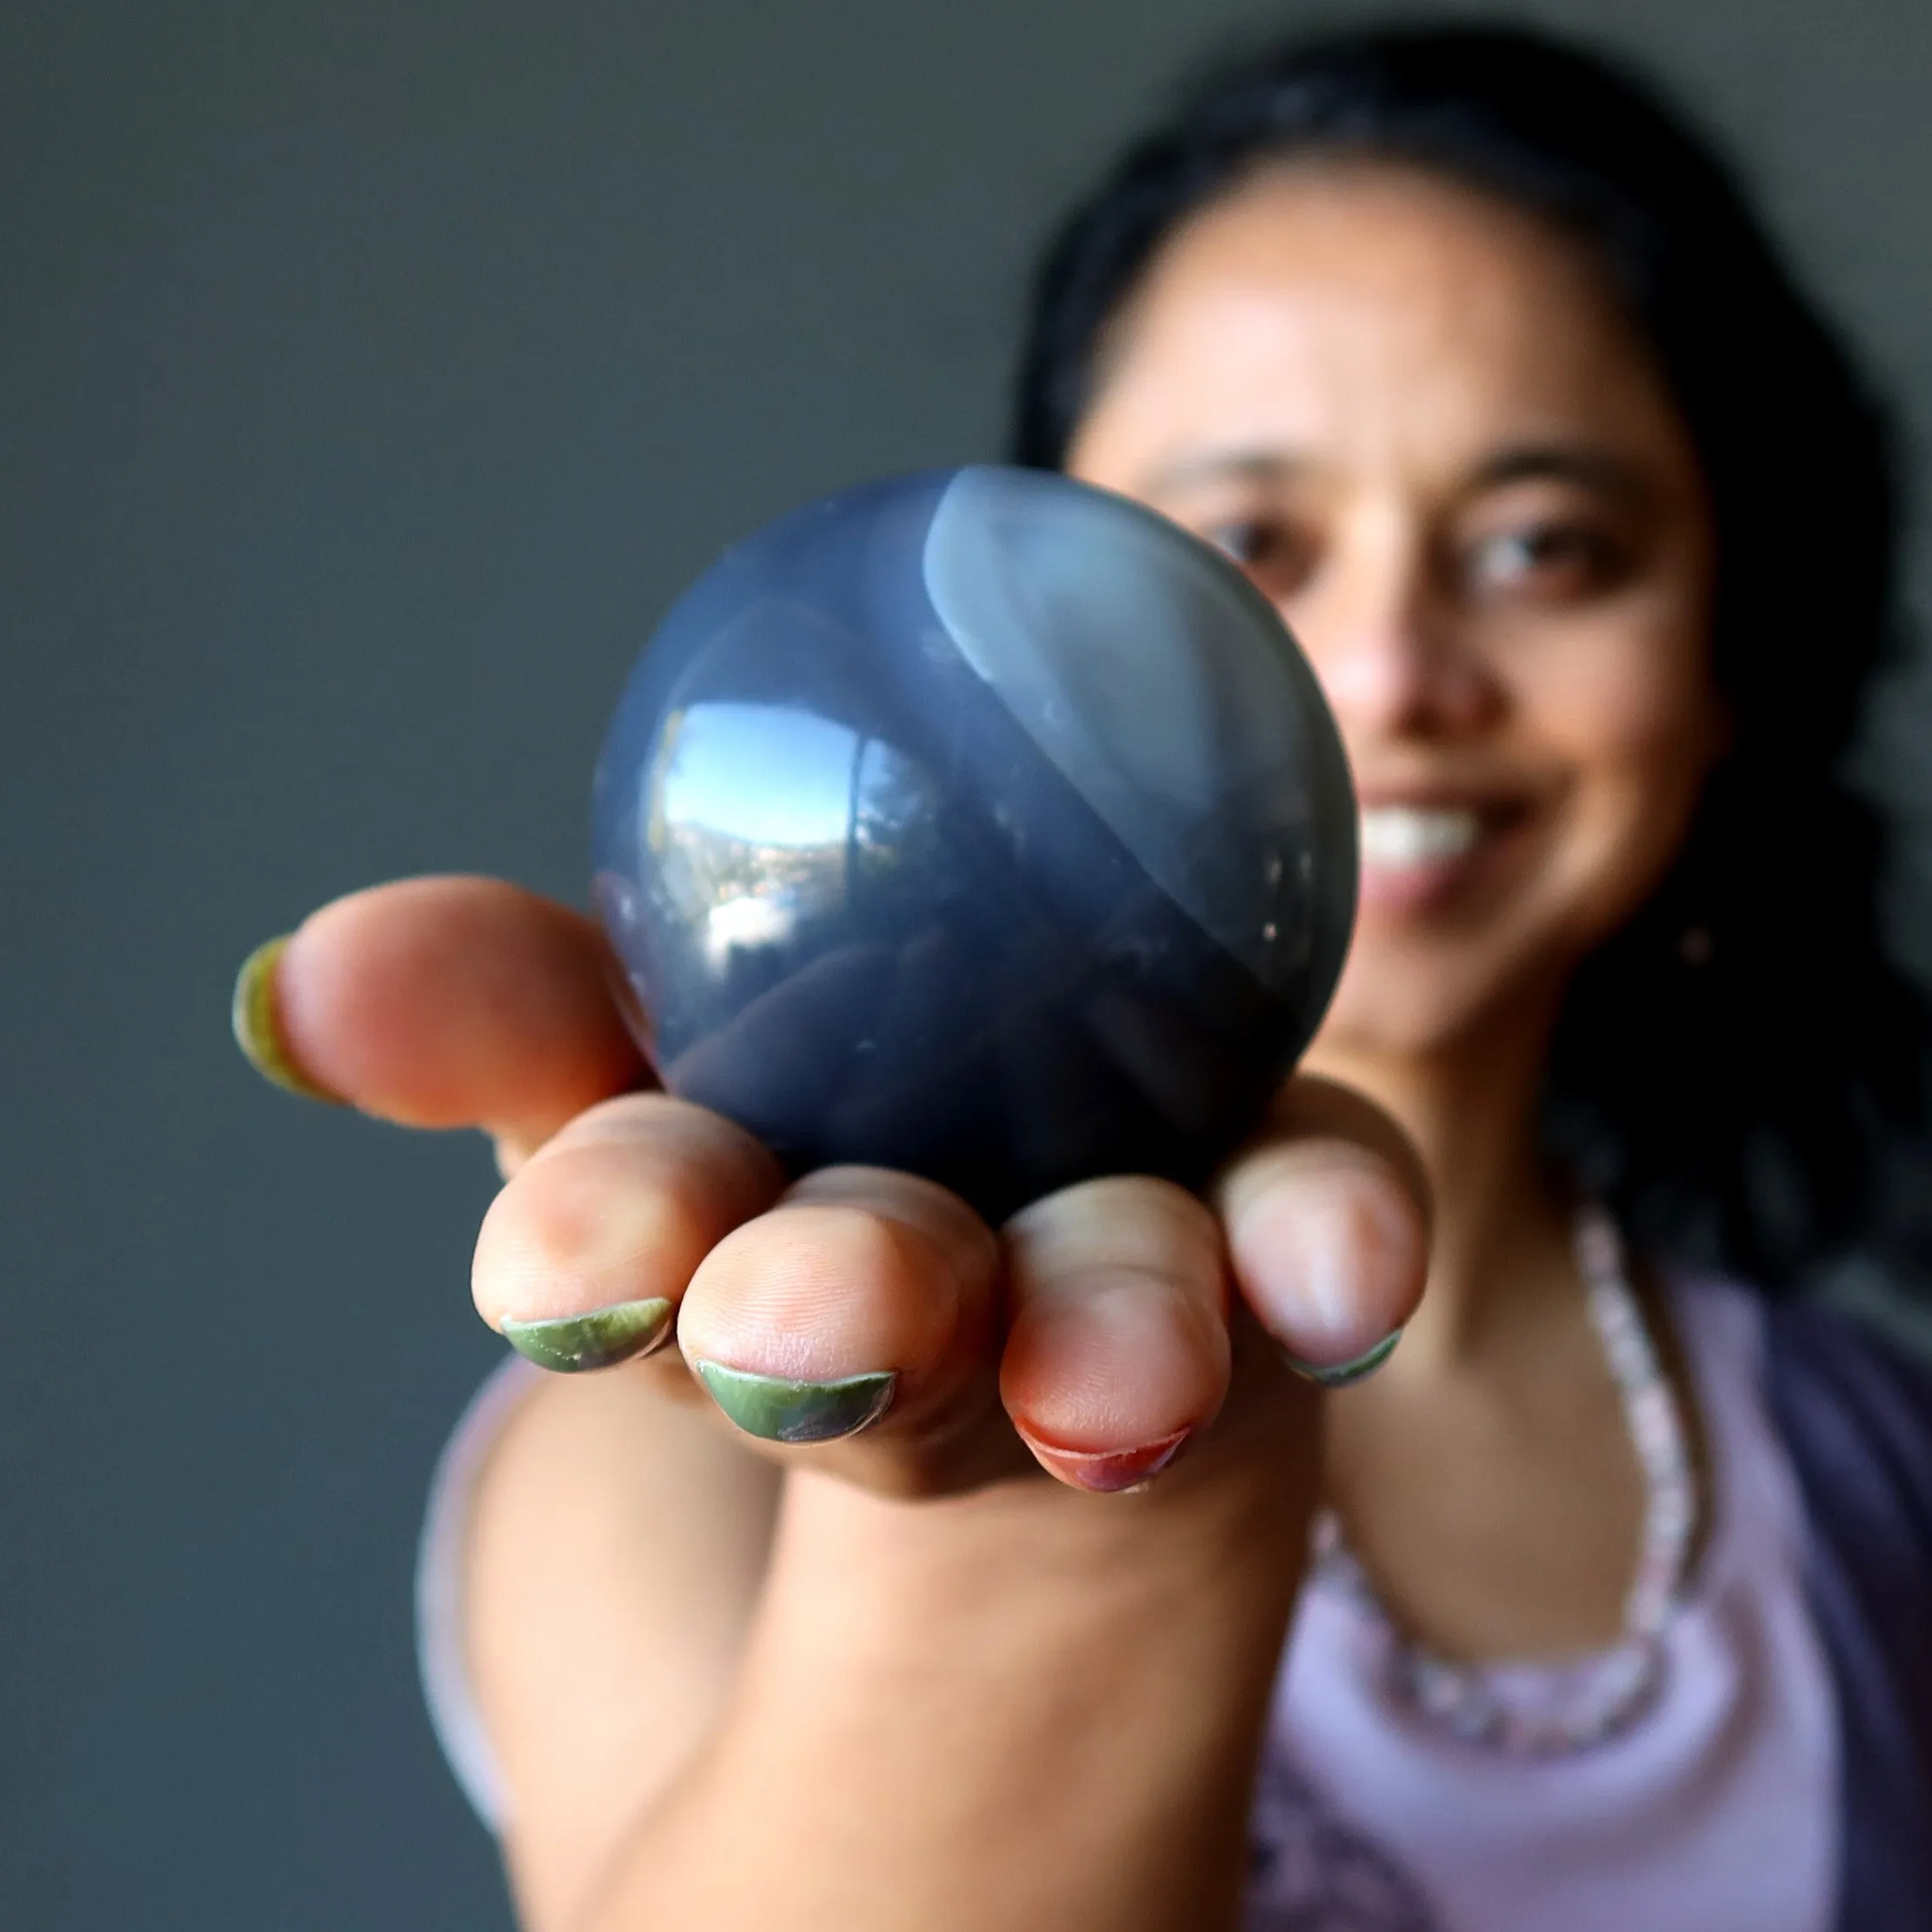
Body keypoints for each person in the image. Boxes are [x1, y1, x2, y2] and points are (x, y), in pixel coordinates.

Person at [230, 22, 1932, 1930]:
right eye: (1244, 545)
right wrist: (1040, 1541)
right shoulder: (696, 1441)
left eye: (1545, 546)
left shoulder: (1881, 1466)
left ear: (1730, 671)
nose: (1384, 669)